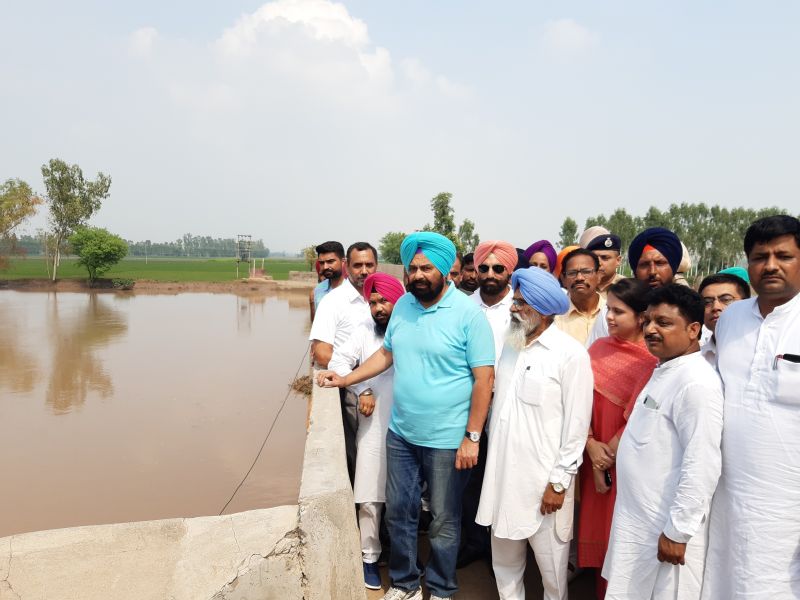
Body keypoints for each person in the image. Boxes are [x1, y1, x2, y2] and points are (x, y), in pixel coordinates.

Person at [317, 231, 495, 600]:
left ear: (445, 270)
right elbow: (387, 355)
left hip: (448, 440)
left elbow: (484, 379)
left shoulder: (468, 315)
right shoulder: (403, 308)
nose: (417, 275)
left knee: (445, 522)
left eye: (426, 268)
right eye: (412, 268)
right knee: (400, 513)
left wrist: (472, 437)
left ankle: (443, 588)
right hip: (401, 435)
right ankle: (405, 583)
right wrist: (348, 378)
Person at [477, 266, 593, 600]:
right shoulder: (511, 344)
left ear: (542, 311)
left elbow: (576, 427)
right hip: (502, 481)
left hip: (544, 487)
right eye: (514, 301)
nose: (513, 308)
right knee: (505, 566)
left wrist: (558, 483)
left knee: (553, 576)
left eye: (521, 303)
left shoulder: (571, 355)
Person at [603, 284, 723, 599]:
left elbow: (702, 463)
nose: (651, 329)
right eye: (649, 321)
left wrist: (678, 531)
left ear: (694, 330)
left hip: (665, 530)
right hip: (639, 522)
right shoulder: (665, 369)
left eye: (664, 323)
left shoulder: (696, 383)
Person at [702, 215, 800, 599]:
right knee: (727, 581)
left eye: (783, 256)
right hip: (730, 496)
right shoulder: (731, 320)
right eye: (760, 256)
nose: (771, 265)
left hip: (788, 504)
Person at [577, 278, 658, 599]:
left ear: (641, 317)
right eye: (608, 309)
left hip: (624, 459)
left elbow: (642, 416)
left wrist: (605, 457)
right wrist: (590, 446)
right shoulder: (597, 349)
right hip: (590, 448)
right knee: (596, 529)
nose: (609, 317)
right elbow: (578, 400)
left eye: (618, 312)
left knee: (619, 532)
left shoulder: (652, 359)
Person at [329, 272, 405, 591]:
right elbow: (338, 362)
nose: (378, 308)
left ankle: (403, 559)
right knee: (371, 499)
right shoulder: (363, 330)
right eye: (373, 302)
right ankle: (369, 558)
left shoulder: (412, 331)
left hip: (406, 427)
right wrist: (362, 390)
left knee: (404, 499)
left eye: (384, 300)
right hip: (373, 428)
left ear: (398, 300)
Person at [309, 241, 378, 484]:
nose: (364, 271)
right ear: (347, 267)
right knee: (360, 455)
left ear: (376, 266)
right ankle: (362, 513)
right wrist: (360, 382)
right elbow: (322, 352)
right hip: (354, 392)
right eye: (358, 265)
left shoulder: (386, 297)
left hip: (390, 386)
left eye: (369, 265)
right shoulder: (332, 301)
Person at [587, 227, 683, 346]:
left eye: (660, 263)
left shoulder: (686, 311)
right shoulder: (611, 313)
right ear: (635, 270)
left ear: (673, 268)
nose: (652, 271)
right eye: (644, 265)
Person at [697, 271, 750, 365]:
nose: (715, 307)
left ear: (747, 303)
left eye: (726, 300)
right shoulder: (698, 357)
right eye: (707, 302)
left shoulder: (762, 351)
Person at [555, 248, 606, 346]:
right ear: (563, 279)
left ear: (599, 276)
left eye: (586, 272)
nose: (579, 278)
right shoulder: (554, 318)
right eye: (572, 273)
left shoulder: (611, 312)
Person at [310, 241, 346, 321]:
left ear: (343, 262)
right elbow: (315, 324)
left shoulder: (354, 289)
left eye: (330, 262)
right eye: (322, 263)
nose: (325, 267)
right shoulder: (318, 290)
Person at [581, 229, 623, 296]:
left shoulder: (627, 287)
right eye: (594, 258)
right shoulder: (581, 286)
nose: (599, 263)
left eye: (604, 258)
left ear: (618, 260)